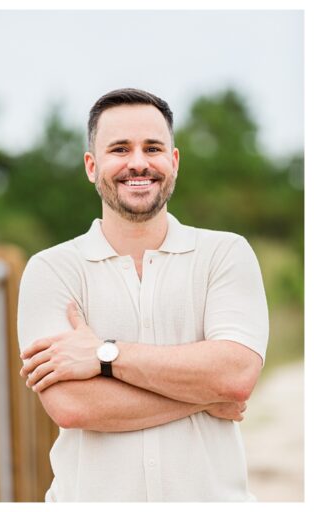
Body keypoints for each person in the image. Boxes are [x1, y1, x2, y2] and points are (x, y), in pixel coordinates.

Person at [16, 88, 268, 501]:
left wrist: (103, 355)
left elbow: (237, 375)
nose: (138, 163)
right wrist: (205, 396)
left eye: (152, 148)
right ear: (91, 166)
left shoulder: (226, 253)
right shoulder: (51, 269)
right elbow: (73, 405)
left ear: (174, 161)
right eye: (119, 149)